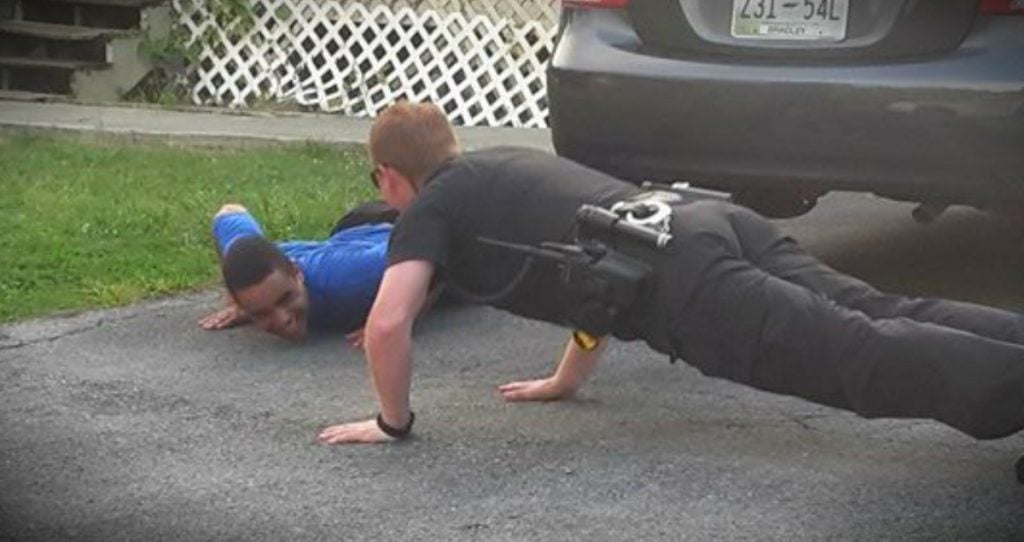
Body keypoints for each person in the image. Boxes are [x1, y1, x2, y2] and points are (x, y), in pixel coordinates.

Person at [316, 101, 1024, 445]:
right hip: (706, 220)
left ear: (388, 176)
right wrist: (566, 379)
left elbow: (387, 324)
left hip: (685, 277)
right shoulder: (498, 164)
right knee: (876, 310)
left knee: (854, 353)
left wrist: (392, 423)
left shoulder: (428, 207)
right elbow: (591, 267)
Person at [199, 203, 392, 342]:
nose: (283, 320)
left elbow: (418, 246)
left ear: (297, 272)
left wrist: (398, 312)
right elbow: (230, 212)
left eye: (285, 299)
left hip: (388, 222)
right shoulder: (247, 252)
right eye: (261, 313)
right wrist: (238, 303)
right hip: (340, 241)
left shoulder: (348, 279)